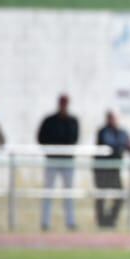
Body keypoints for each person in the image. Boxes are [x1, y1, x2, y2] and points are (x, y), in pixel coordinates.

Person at [37, 93, 80, 231]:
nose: (63, 105)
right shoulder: (49, 120)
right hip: (52, 160)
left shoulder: (73, 121)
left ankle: (71, 222)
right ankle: (45, 222)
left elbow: (74, 139)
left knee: (69, 194)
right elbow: (41, 137)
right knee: (48, 192)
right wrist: (51, 150)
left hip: (67, 161)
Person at [93, 110, 130, 229]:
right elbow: (109, 144)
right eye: (111, 118)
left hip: (115, 171)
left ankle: (110, 220)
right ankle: (101, 222)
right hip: (102, 170)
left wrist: (125, 145)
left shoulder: (122, 132)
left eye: (115, 118)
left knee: (120, 195)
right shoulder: (103, 131)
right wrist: (122, 146)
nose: (113, 120)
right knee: (101, 197)